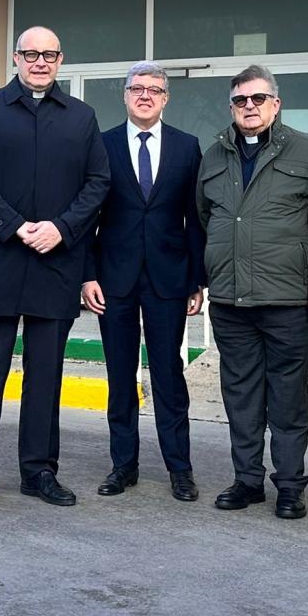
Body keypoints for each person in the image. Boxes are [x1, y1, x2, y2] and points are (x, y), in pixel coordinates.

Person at [0, 26, 110, 511]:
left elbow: (98, 181)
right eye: (31, 54)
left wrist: (62, 228)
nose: (40, 62)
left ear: (60, 60)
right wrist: (15, 225)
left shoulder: (81, 118)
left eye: (49, 54)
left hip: (55, 263)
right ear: (16, 58)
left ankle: (39, 470)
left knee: (46, 374)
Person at [197, 64, 308, 520]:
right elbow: (205, 217)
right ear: (231, 106)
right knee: (240, 396)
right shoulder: (213, 157)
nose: (250, 107)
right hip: (230, 301)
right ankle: (247, 481)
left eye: (258, 99)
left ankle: (290, 486)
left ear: (276, 104)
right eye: (241, 100)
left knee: (288, 398)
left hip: (287, 301)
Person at [82, 62, 206, 502]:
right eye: (137, 88)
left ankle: (180, 470)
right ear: (125, 95)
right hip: (113, 279)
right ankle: (123, 466)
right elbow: (88, 216)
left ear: (166, 98)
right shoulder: (102, 145)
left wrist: (197, 280)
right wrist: (88, 275)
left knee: (169, 375)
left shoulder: (188, 147)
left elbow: (196, 219)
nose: (145, 96)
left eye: (154, 89)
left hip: (169, 280)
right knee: (120, 375)